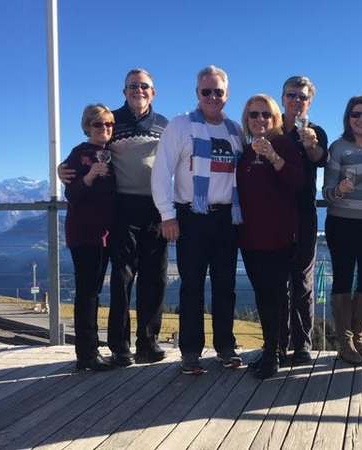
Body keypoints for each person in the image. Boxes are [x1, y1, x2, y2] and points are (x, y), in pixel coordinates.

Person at [59, 69, 169, 367]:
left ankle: (148, 342)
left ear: (153, 92)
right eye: (132, 86)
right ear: (124, 91)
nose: (138, 90)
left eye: (144, 86)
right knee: (122, 278)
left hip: (156, 207)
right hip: (122, 207)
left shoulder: (165, 124)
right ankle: (120, 347)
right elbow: (89, 151)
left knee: (155, 277)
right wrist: (62, 168)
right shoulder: (112, 120)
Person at [151, 65, 243, 375]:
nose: (213, 97)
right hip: (191, 216)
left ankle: (225, 346)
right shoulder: (181, 126)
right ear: (197, 93)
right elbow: (161, 171)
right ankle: (190, 351)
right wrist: (167, 215)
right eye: (207, 91)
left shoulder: (235, 131)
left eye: (219, 91)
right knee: (191, 286)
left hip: (226, 218)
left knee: (225, 286)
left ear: (227, 95)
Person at [237, 94, 303, 378]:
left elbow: (298, 183)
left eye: (266, 114)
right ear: (247, 119)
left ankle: (273, 354)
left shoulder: (284, 144)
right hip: (249, 235)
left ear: (275, 118)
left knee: (275, 294)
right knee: (262, 294)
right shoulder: (245, 150)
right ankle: (272, 349)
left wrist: (274, 158)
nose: (260, 119)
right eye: (254, 114)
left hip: (278, 235)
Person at [323, 96, 362, 364]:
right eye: (355, 114)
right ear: (348, 118)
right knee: (343, 279)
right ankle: (344, 342)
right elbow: (326, 191)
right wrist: (339, 190)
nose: (361, 119)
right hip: (342, 223)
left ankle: (358, 338)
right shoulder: (338, 147)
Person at [279, 76, 328, 365]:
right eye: (291, 95)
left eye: (303, 97)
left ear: (310, 102)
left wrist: (310, 145)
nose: (297, 101)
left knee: (302, 281)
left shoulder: (316, 131)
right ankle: (278, 342)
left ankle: (301, 345)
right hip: (272, 214)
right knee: (276, 281)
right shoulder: (271, 127)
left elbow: (320, 158)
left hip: (305, 215)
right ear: (282, 98)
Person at [64, 104, 116, 371]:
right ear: (87, 127)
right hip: (84, 233)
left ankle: (91, 350)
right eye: (98, 124)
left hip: (106, 233)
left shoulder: (112, 152)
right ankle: (86, 353)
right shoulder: (78, 154)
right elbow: (71, 193)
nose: (104, 128)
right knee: (87, 292)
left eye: (109, 124)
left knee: (93, 291)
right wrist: (90, 176)